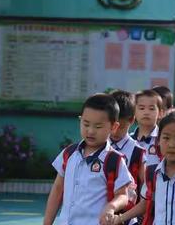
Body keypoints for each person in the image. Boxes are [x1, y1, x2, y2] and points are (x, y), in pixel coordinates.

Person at [43, 93, 133, 225]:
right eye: (86, 124)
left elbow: (123, 195)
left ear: (113, 127)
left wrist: (111, 207)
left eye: (98, 126)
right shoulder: (69, 153)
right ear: (80, 120)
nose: (90, 131)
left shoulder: (115, 160)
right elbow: (57, 190)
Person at [110, 89, 146, 221]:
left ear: (131, 120)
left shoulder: (137, 151)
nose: (115, 131)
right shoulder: (97, 146)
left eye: (121, 126)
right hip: (100, 213)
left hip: (127, 217)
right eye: (113, 125)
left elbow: (147, 185)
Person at [131, 90, 163, 167]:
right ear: (134, 112)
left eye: (151, 109)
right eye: (141, 108)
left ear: (160, 113)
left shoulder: (163, 139)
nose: (146, 112)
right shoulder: (128, 140)